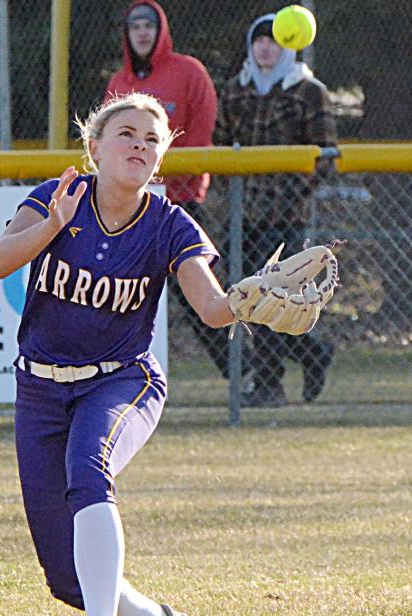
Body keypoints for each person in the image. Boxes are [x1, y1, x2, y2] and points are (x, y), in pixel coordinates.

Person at [0, 93, 243, 616]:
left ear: (161, 159)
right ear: (94, 147)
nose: (139, 146)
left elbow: (211, 306)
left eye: (152, 140)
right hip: (41, 389)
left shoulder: (169, 222)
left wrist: (248, 301)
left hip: (123, 380)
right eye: (126, 134)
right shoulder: (59, 196)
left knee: (88, 466)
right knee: (65, 575)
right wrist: (52, 224)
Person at [215, 13, 337, 407]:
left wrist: (293, 194)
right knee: (249, 300)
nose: (266, 47)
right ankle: (310, 354)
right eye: (259, 40)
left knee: (274, 302)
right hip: (243, 214)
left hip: (287, 218)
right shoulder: (235, 90)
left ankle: (272, 383)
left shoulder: (309, 91)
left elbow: (326, 157)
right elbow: (218, 144)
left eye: (274, 41)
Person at [106, 1, 233, 379]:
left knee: (202, 294)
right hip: (133, 206)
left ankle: (246, 372)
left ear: (161, 31)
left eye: (149, 25)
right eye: (135, 26)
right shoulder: (119, 84)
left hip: (179, 204)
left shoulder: (188, 71)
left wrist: (188, 176)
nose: (142, 32)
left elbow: (201, 131)